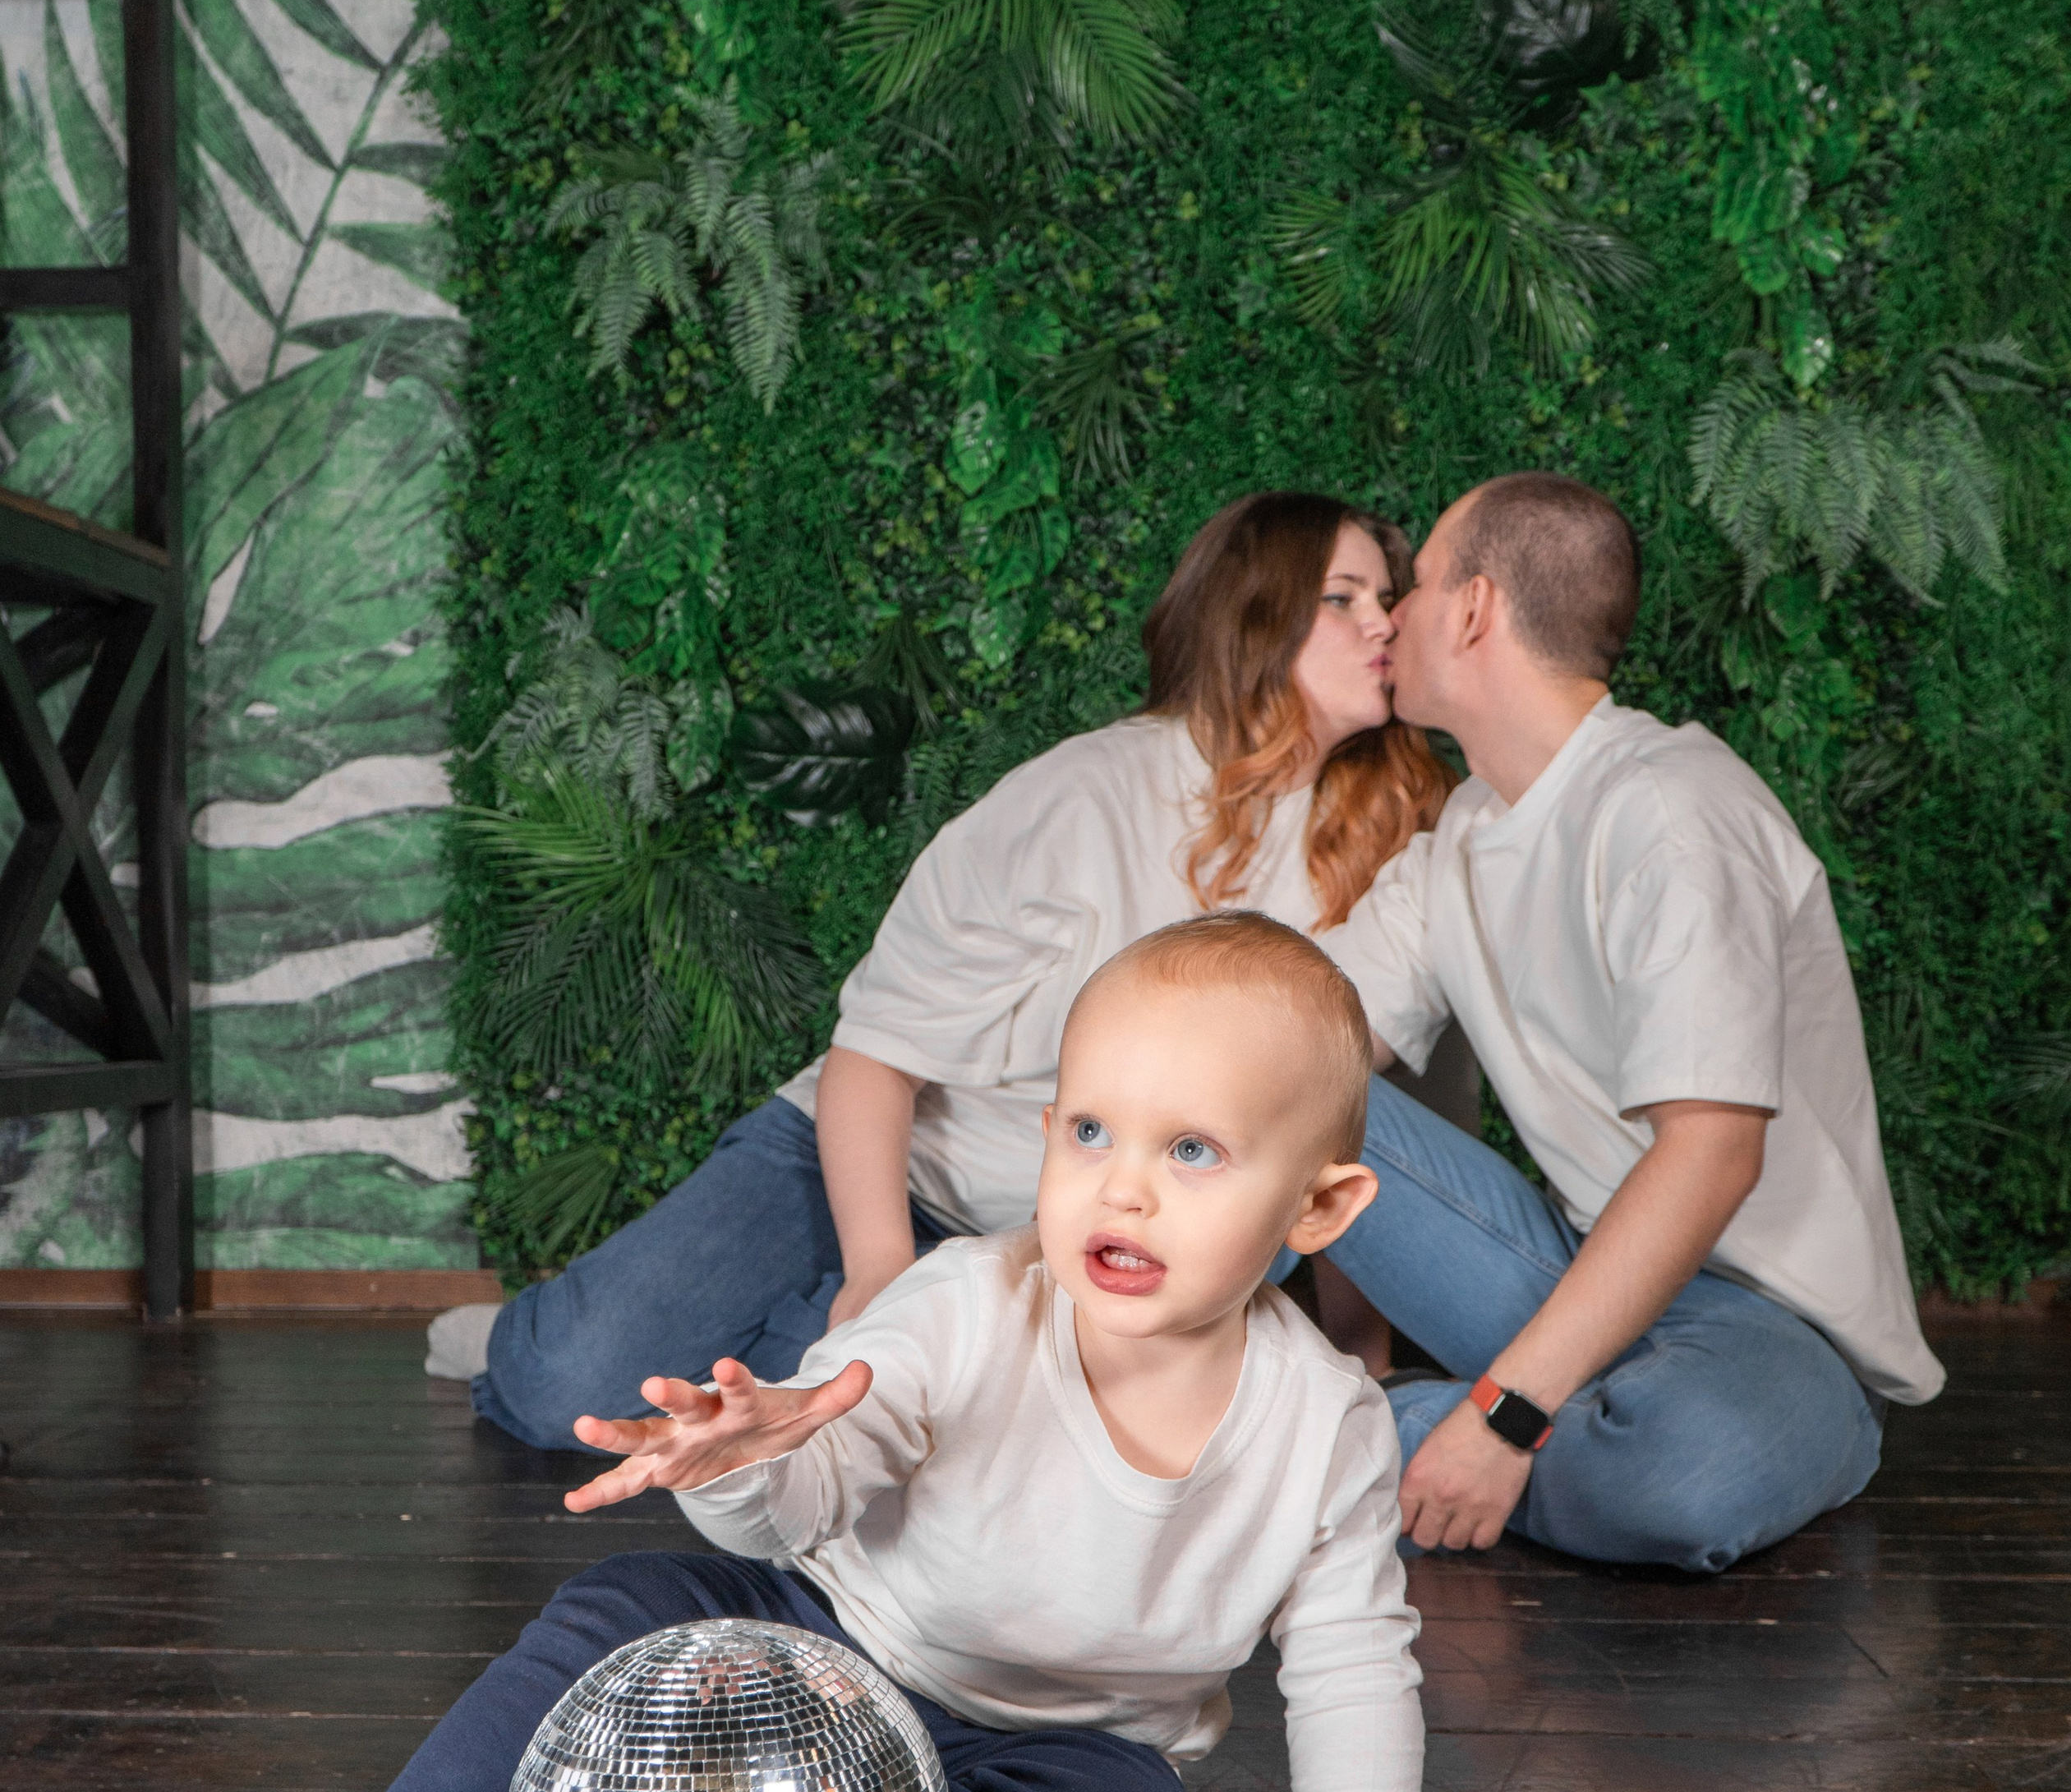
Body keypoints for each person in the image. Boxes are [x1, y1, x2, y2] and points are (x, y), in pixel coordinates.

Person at [133, 915, 1470, 1792]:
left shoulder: (1328, 1426)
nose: (1121, 1187)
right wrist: (745, 1459)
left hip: (1054, 1753)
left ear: (1320, 1206)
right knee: (617, 1610)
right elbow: (821, 1475)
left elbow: (1354, 1667)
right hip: (822, 1643)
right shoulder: (965, 1302)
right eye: (1088, 1131)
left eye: (1192, 1150)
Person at [431, 493, 1455, 1444]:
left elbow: (1344, 1121)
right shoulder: (1081, 795)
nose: (1384, 622)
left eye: (1386, 597)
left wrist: (1358, 1354)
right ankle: (549, 1328)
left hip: (1049, 1245)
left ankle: (773, 1327)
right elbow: (873, 1057)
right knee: (559, 1388)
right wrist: (879, 1267)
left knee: (799, 1426)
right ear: (1252, 619)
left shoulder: (1397, 841)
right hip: (872, 1155)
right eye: (1341, 597)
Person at [1319, 471, 1944, 1575]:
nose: (1395, 619)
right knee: (1274, 1086)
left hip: (1765, 1325)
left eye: (1414, 587)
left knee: (1684, 1480)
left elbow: (1711, 1157)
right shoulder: (1462, 832)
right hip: (1573, 1272)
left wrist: (1504, 1419)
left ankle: (1308, 1441)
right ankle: (1502, 1415)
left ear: (1472, 610)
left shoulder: (1668, 810)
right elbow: (1300, 1034)